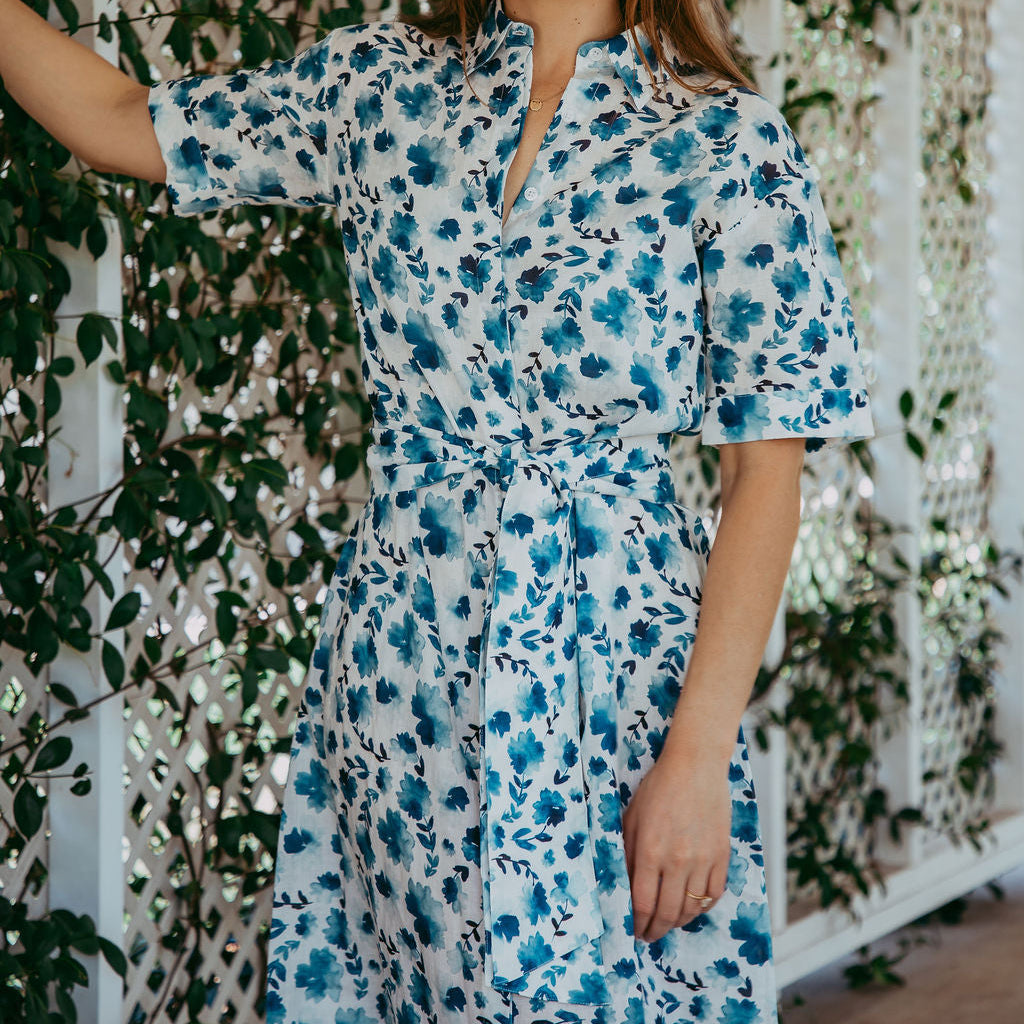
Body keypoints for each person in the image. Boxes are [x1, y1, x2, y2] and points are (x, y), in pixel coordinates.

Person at [3, 0, 874, 1020]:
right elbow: (120, 119)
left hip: (623, 683)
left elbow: (765, 473)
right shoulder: (378, 84)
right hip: (407, 675)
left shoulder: (728, 139)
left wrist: (697, 756)